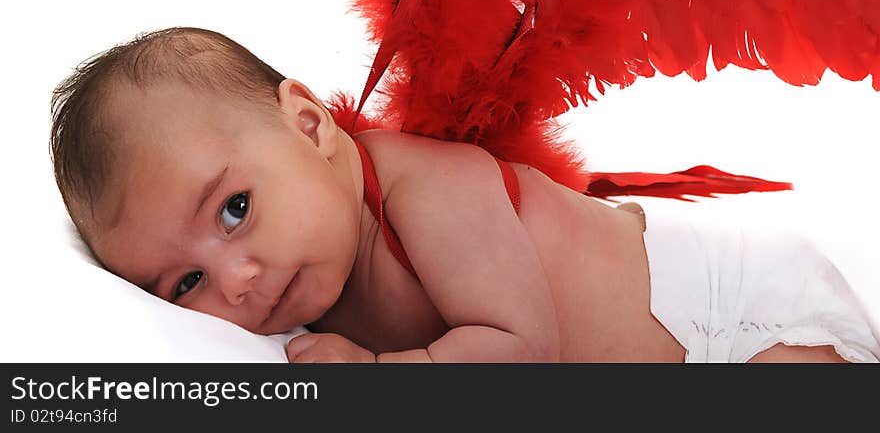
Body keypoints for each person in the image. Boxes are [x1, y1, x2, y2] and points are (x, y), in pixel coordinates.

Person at [50, 26, 880, 362]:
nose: (237, 279)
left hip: (736, 313)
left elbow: (521, 351)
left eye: (234, 208)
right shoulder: (305, 281)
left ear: (307, 125)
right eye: (184, 283)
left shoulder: (422, 189)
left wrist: (378, 374)